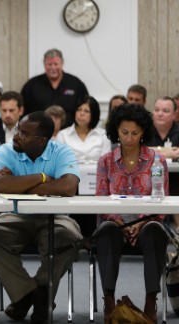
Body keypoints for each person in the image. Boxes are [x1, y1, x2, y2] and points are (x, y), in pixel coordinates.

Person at [0, 111, 82, 324]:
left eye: (24, 133)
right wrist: (43, 178)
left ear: (41, 140)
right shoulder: (7, 150)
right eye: (18, 129)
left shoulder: (62, 152)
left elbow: (68, 186)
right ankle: (31, 295)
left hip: (55, 217)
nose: (16, 136)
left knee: (69, 238)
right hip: (15, 215)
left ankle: (35, 294)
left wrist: (18, 183)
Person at [95, 103, 169, 323]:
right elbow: (100, 201)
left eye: (134, 133)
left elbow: (161, 202)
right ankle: (109, 299)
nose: (129, 138)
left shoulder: (157, 161)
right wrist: (116, 220)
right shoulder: (106, 161)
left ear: (143, 132)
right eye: (124, 132)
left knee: (156, 232)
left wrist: (140, 222)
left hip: (146, 222)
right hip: (114, 222)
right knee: (106, 232)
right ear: (116, 130)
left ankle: (150, 301)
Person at [21, 48, 89, 126]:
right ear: (44, 64)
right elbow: (23, 111)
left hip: (70, 133)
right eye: (49, 64)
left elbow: (87, 106)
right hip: (39, 133)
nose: (53, 68)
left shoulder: (76, 84)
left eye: (56, 64)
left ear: (62, 63)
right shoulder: (31, 86)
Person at [56, 96, 111, 162]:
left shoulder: (103, 135)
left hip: (95, 172)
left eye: (86, 111)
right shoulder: (62, 135)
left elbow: (106, 164)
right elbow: (59, 162)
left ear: (94, 114)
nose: (81, 113)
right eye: (79, 110)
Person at [144, 96, 179, 160]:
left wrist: (150, 151)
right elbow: (135, 153)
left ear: (174, 115)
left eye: (165, 111)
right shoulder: (143, 130)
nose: (160, 114)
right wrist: (167, 154)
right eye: (157, 110)